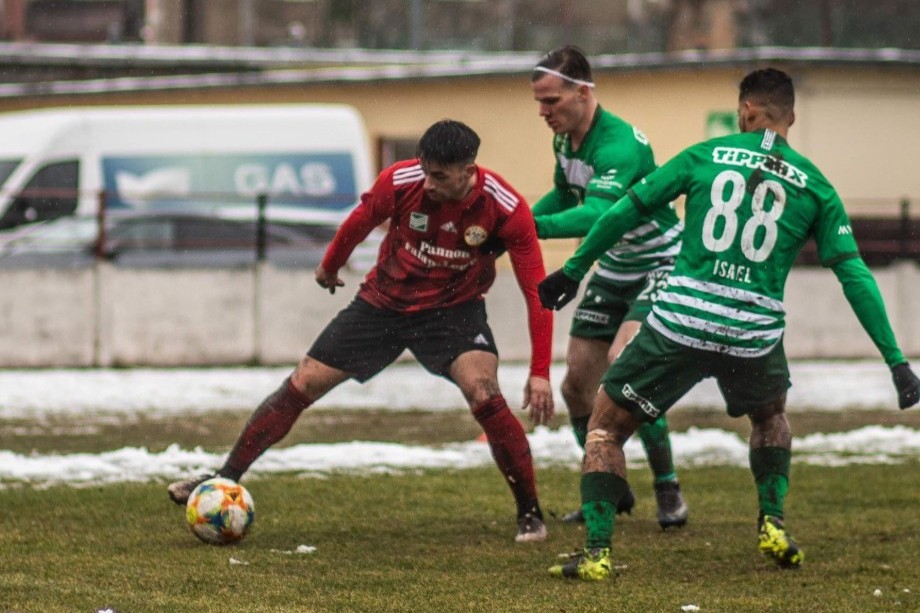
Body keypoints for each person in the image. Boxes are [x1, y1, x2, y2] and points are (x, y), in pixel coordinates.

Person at [538, 67, 920, 579]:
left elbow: (626, 211)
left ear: (745, 112)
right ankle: (773, 522)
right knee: (769, 418)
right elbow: (854, 275)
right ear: (791, 117)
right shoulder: (815, 183)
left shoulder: (704, 155)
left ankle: (599, 554)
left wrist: (574, 267)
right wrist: (896, 361)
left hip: (682, 321)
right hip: (753, 334)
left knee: (605, 428)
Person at [168, 119, 556, 543]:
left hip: (453, 313)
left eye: (439, 176)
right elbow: (361, 220)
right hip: (382, 305)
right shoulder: (401, 180)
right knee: (302, 383)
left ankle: (530, 513)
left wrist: (540, 371)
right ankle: (224, 478)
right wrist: (330, 265)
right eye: (425, 171)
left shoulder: (505, 208)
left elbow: (537, 292)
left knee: (484, 392)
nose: (427, 184)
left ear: (468, 171)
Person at [529, 45, 687, 528]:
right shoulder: (565, 141)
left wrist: (528, 230)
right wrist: (521, 219)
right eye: (539, 102)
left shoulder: (620, 145)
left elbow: (601, 214)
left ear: (584, 91)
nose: (543, 112)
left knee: (626, 370)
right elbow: (566, 193)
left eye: (552, 101)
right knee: (577, 386)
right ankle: (611, 486)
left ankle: (668, 488)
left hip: (660, 261)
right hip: (615, 265)